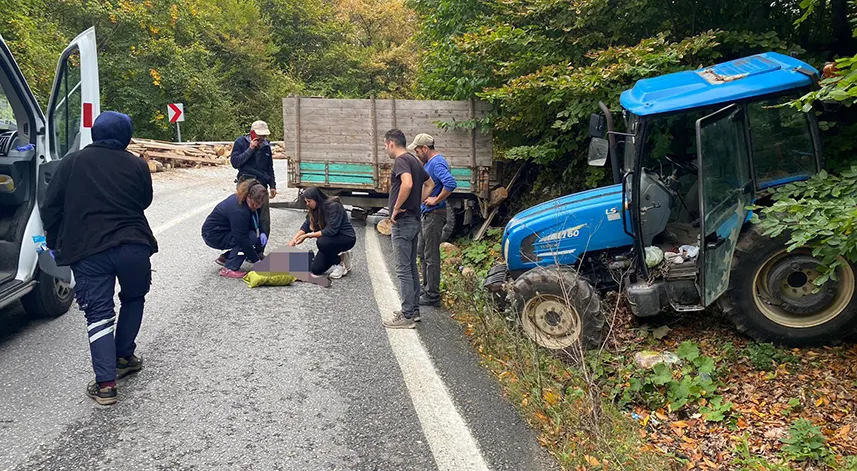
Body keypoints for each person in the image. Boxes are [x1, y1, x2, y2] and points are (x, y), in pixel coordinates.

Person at [41, 111, 158, 406]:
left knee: (99, 314)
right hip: (133, 245)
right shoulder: (137, 165)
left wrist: (54, 242)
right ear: (126, 136)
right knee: (134, 298)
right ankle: (124, 356)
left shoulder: (72, 162)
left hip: (89, 250)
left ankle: (106, 385)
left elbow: (51, 206)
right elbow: (144, 201)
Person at [382, 129, 433, 329]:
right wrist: (416, 202)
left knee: (403, 269)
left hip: (402, 221)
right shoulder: (414, 161)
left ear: (391, 144)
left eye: (385, 145)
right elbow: (430, 184)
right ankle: (414, 310)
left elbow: (408, 183)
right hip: (414, 219)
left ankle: (406, 315)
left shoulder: (401, 161)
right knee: (411, 267)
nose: (385, 148)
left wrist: (396, 208)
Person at [411, 133, 457, 307]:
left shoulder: (437, 163)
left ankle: (433, 295)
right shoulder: (430, 163)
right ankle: (427, 288)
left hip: (435, 214)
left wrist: (436, 199)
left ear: (425, 148)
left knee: (431, 255)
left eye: (417, 150)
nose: (416, 154)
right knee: (422, 252)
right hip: (427, 214)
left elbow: (450, 183)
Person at [202, 180, 269, 278]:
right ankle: (229, 268)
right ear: (248, 196)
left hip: (227, 230)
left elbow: (256, 219)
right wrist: (257, 261)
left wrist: (262, 232)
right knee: (249, 238)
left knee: (254, 236)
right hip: (213, 234)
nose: (256, 206)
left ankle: (226, 258)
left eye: (259, 204)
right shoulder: (239, 211)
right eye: (254, 204)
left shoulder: (249, 202)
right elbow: (241, 239)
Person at [288, 187, 356, 279]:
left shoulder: (333, 206)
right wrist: (293, 241)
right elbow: (305, 227)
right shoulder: (314, 209)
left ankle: (339, 264)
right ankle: (342, 256)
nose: (307, 204)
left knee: (322, 242)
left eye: (309, 201)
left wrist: (308, 236)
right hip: (329, 241)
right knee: (315, 269)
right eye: (306, 201)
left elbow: (331, 230)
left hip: (346, 238)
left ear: (316, 199)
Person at [230, 120, 277, 238]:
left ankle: (261, 247)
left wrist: (272, 185)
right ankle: (242, 242)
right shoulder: (241, 142)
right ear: (252, 133)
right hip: (246, 180)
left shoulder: (266, 146)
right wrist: (250, 149)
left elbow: (269, 167)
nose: (262, 138)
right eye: (260, 136)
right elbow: (235, 163)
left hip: (261, 183)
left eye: (264, 136)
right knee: (243, 212)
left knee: (264, 217)